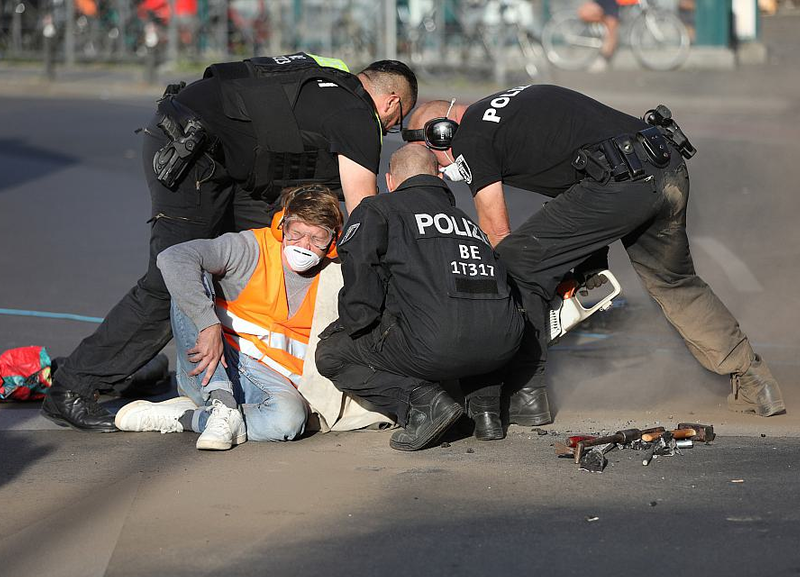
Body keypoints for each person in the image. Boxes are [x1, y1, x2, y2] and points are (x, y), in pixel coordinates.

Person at [41, 53, 418, 432]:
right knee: (167, 281)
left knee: (269, 252)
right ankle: (73, 387)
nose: (388, 129)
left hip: (227, 160)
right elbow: (363, 212)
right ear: (391, 103)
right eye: (394, 123)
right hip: (190, 152)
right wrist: (389, 277)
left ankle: (244, 371)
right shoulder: (358, 114)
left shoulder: (327, 81)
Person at [405, 88, 786, 423]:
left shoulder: (472, 134)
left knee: (517, 262)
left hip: (620, 180)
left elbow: (497, 232)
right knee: (675, 283)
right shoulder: (514, 103)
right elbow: (578, 194)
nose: (440, 171)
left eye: (433, 159)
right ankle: (755, 379)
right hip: (665, 166)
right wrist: (587, 264)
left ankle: (527, 395)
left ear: (442, 132)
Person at [315, 145, 524, 451]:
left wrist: (354, 325)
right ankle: (487, 412)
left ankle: (423, 404)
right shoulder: (466, 221)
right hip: (505, 343)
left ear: (390, 180)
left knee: (332, 353)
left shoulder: (378, 210)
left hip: (437, 343)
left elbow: (361, 284)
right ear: (439, 176)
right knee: (471, 315)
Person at [114, 185, 342, 450]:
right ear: (281, 226)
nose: (304, 246)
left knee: (289, 421)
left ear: (333, 241)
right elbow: (173, 257)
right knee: (190, 277)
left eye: (317, 239)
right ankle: (221, 403)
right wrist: (208, 324)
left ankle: (188, 417)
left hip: (268, 381)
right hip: (212, 363)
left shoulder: (335, 278)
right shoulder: (251, 248)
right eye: (297, 233)